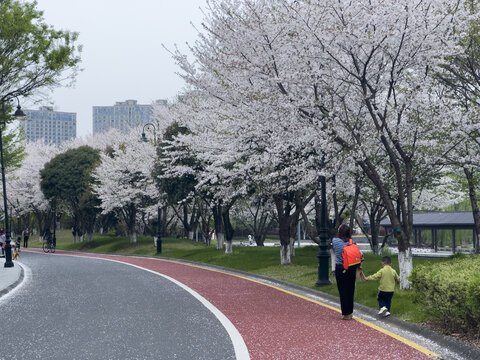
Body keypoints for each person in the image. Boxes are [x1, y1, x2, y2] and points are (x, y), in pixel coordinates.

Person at [332, 224, 359, 320]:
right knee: (350, 290)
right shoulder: (353, 242)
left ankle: (345, 313)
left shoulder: (335, 241)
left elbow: (334, 250)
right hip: (351, 268)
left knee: (342, 291)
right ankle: (350, 312)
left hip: (340, 268)